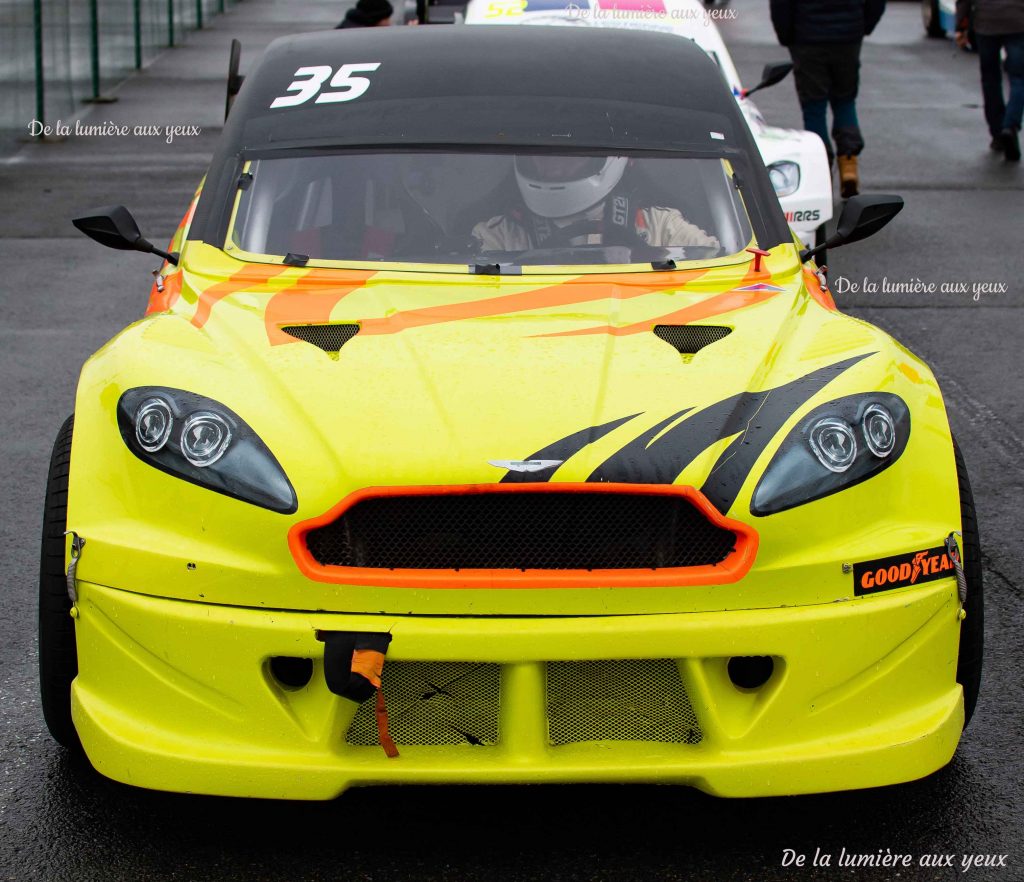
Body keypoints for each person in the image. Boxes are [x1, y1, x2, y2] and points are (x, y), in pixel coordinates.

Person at [471, 155, 720, 254]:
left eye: (570, 158)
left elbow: (720, 271)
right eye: (543, 156)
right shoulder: (498, 234)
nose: (553, 167)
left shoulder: (660, 224)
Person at [769, 0, 887, 198]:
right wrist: (862, 26)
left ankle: (821, 167)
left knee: (814, 107)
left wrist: (786, 35)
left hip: (807, 37)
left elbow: (781, 5)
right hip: (848, 37)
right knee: (845, 99)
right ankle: (849, 162)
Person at [955, 0, 1024, 161]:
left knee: (990, 78)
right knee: (1019, 78)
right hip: (1018, 21)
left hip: (986, 22)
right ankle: (1010, 125)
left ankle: (997, 132)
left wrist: (961, 25)